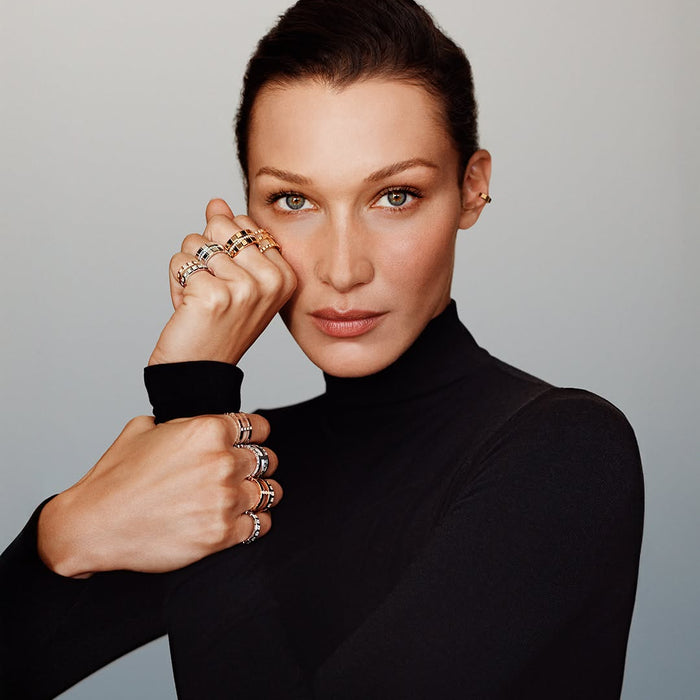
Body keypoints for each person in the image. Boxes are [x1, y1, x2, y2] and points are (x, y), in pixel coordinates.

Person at [0, 0, 644, 698]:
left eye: (395, 196)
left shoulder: (565, 451)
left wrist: (194, 396)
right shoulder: (245, 466)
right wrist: (61, 537)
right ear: (247, 214)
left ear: (471, 188)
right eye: (293, 201)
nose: (343, 269)